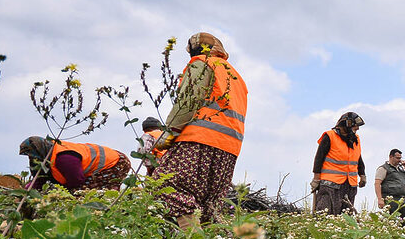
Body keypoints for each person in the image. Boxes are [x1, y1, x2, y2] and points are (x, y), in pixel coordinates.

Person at [152, 32, 248, 228]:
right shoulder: (235, 75)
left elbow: (187, 102)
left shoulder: (201, 63)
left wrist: (168, 133)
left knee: (167, 186)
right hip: (228, 149)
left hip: (198, 141)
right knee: (208, 205)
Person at [19, 136, 130, 193]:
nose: (32, 159)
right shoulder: (45, 160)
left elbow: (76, 180)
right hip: (108, 162)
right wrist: (25, 191)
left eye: (32, 155)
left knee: (83, 193)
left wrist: (59, 192)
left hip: (115, 163)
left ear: (40, 151)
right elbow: (39, 180)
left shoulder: (64, 158)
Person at [311, 112, 365, 215]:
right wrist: (316, 179)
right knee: (325, 213)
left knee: (346, 216)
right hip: (330, 184)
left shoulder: (355, 139)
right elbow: (319, 158)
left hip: (350, 184)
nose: (357, 128)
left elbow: (358, 158)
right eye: (355, 126)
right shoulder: (329, 136)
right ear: (347, 124)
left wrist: (362, 175)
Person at [374, 148, 405, 222]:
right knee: (391, 221)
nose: (399, 160)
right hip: (391, 199)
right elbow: (377, 184)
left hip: (403, 199)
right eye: (397, 158)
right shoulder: (383, 168)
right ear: (391, 157)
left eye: (400, 158)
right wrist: (380, 199)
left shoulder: (401, 168)